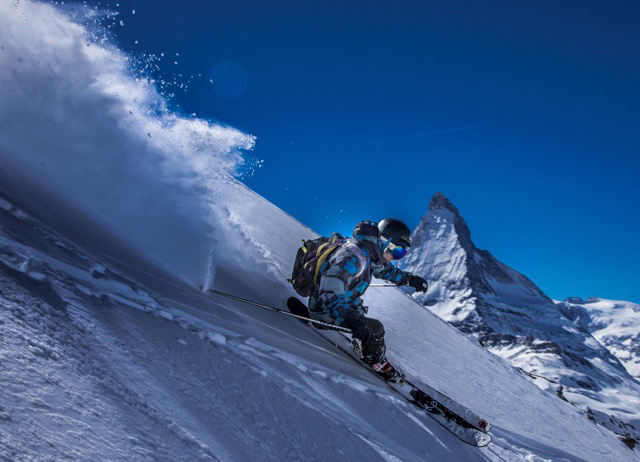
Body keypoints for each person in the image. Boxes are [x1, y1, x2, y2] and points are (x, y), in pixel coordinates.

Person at [308, 219, 428, 379]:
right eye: (398, 252)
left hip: (338, 308)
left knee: (364, 320)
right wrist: (348, 317)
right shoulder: (352, 257)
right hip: (325, 311)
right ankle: (376, 363)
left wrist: (410, 280)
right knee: (375, 329)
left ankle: (368, 349)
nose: (397, 258)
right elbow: (330, 288)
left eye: (402, 254)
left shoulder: (369, 254)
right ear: (386, 242)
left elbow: (386, 271)